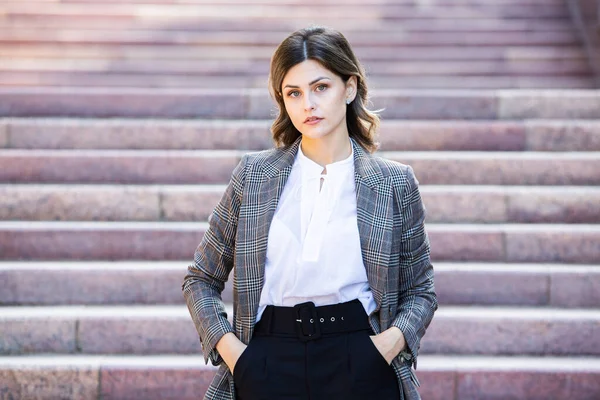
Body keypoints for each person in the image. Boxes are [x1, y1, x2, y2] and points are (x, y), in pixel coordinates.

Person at [182, 25, 437, 400]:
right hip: (268, 360)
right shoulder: (253, 176)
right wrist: (236, 354)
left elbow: (420, 291)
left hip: (359, 360)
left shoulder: (394, 183)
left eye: (321, 87)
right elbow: (200, 278)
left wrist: (384, 348)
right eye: (294, 93)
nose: (308, 104)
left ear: (349, 88)